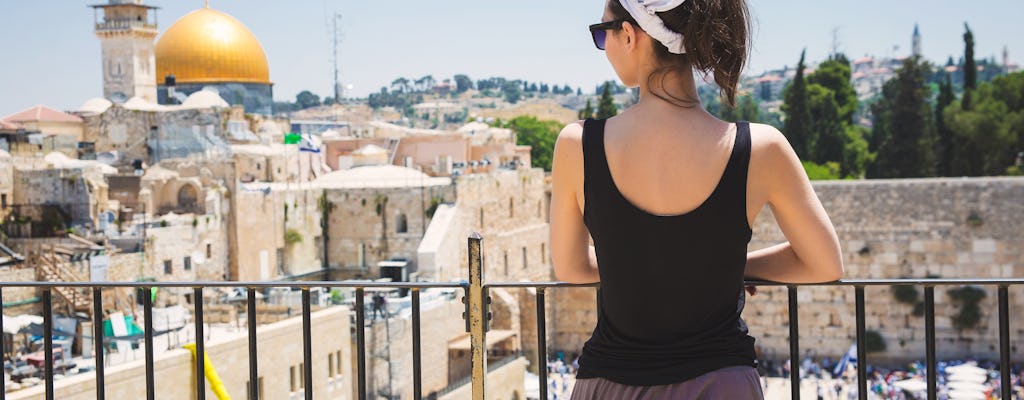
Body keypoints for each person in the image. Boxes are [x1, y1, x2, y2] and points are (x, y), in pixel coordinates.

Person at [549, 0, 844, 398]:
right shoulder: (761, 148)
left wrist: (639, 263)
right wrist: (729, 267)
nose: (603, 46)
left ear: (630, 34)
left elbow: (571, 266)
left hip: (612, 382)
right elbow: (824, 263)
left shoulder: (577, 145)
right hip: (722, 384)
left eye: (602, 34)